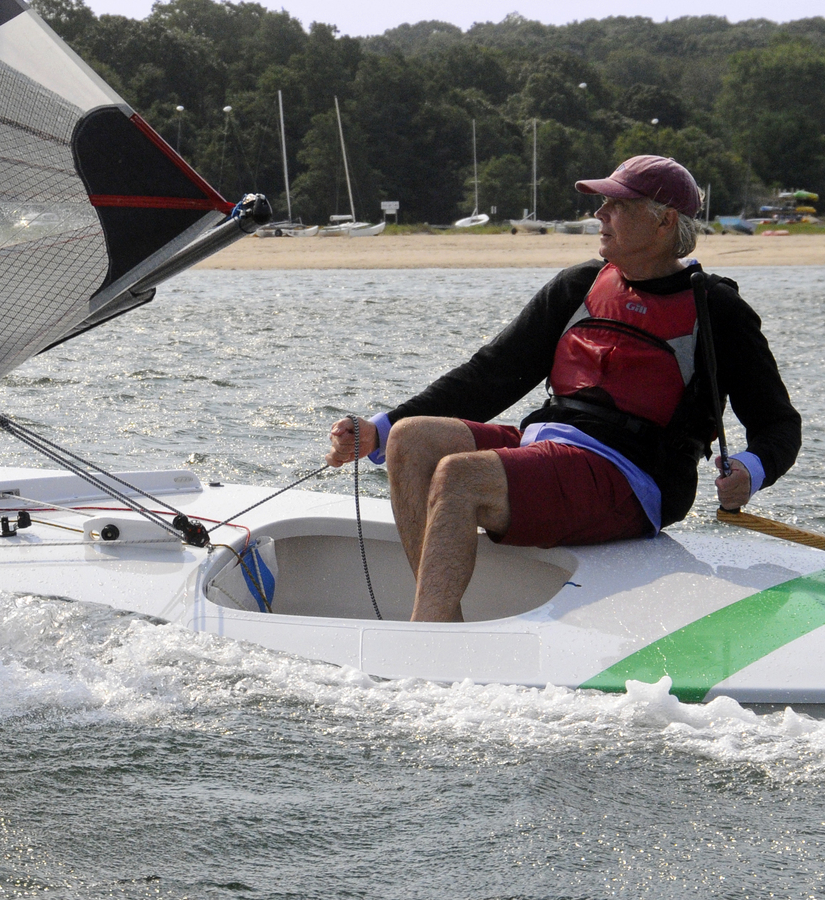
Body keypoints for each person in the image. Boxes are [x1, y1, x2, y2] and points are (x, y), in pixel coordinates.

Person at [326, 155, 800, 622]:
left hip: (634, 477)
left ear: (664, 222)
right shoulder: (580, 285)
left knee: (460, 475)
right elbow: (490, 373)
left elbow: (778, 424)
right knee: (410, 438)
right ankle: (441, 620)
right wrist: (378, 429)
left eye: (617, 205)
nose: (599, 215)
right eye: (602, 204)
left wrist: (750, 471)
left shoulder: (717, 309)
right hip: (550, 448)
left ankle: (428, 638)